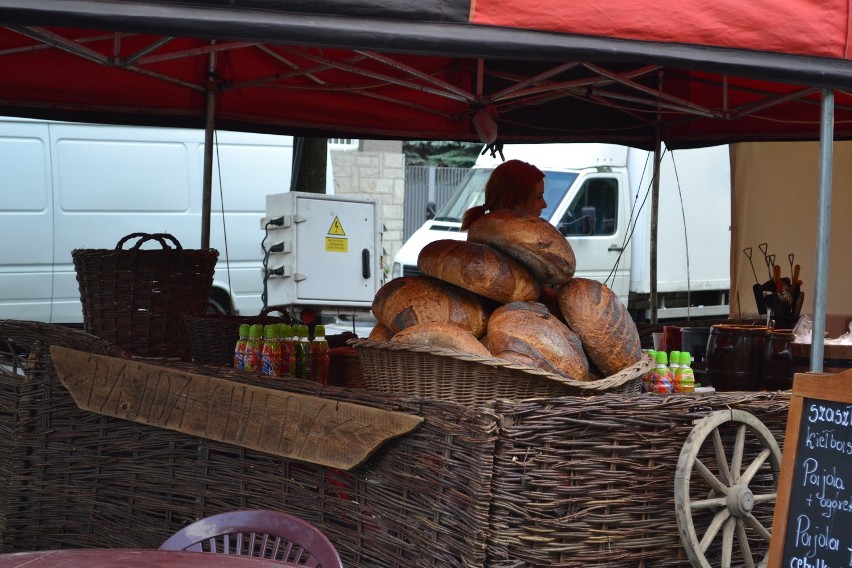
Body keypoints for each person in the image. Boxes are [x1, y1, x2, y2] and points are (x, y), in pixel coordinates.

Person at [460, 159, 546, 230]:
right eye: (539, 197)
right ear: (514, 202)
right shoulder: (519, 241)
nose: (544, 205)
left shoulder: (484, 231)